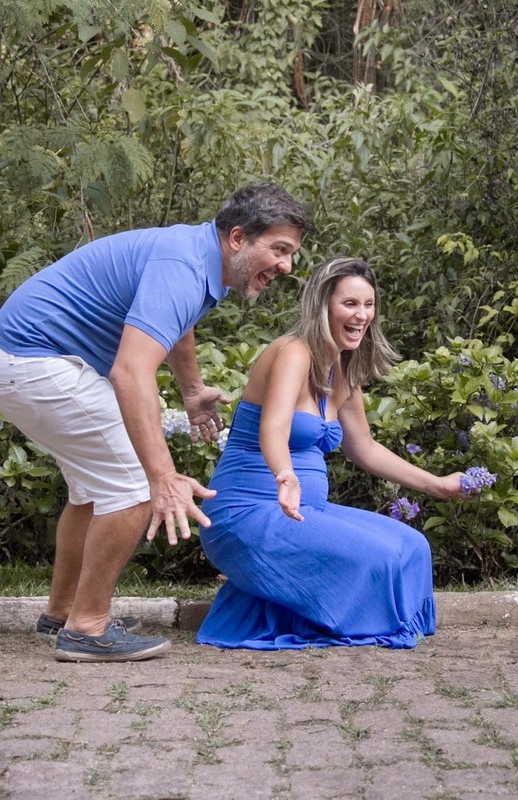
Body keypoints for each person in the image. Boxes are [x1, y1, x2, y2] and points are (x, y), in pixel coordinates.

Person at [0, 182, 314, 662]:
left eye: (291, 255)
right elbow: (130, 371)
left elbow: (176, 328)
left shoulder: (197, 259)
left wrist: (193, 392)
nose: (286, 266)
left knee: (94, 491)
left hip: (16, 358)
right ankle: (87, 629)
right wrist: (162, 477)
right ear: (238, 238)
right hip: (32, 361)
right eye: (279, 250)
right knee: (131, 486)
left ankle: (63, 611)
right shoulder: (182, 265)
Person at [196, 256, 464, 650]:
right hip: (247, 512)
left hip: (303, 512)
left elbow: (365, 448)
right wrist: (285, 476)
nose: (362, 315)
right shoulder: (293, 352)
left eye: (369, 305)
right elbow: (274, 427)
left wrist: (438, 486)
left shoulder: (341, 368)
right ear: (323, 306)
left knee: (412, 548)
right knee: (383, 557)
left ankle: (304, 604)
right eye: (350, 304)